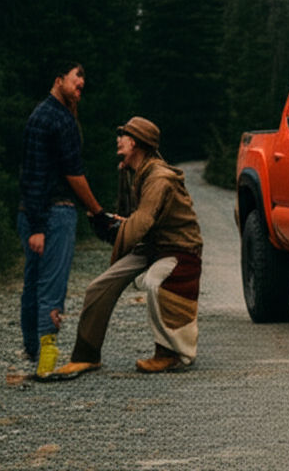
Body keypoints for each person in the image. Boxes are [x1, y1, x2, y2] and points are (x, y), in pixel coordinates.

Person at [46, 116, 203, 380]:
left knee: (155, 282)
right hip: (152, 246)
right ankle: (86, 357)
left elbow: (142, 221)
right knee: (98, 287)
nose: (118, 139)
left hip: (179, 249)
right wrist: (119, 224)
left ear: (136, 143)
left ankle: (169, 354)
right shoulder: (137, 172)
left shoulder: (159, 177)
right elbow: (138, 219)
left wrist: (117, 235)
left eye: (123, 135)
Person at [18, 61, 105, 380]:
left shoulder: (42, 115)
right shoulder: (57, 118)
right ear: (58, 80)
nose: (82, 82)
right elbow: (68, 173)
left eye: (84, 77)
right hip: (52, 214)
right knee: (51, 287)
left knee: (34, 284)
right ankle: (46, 361)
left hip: (34, 213)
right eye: (76, 76)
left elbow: (32, 174)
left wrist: (33, 222)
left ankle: (33, 351)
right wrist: (95, 209)